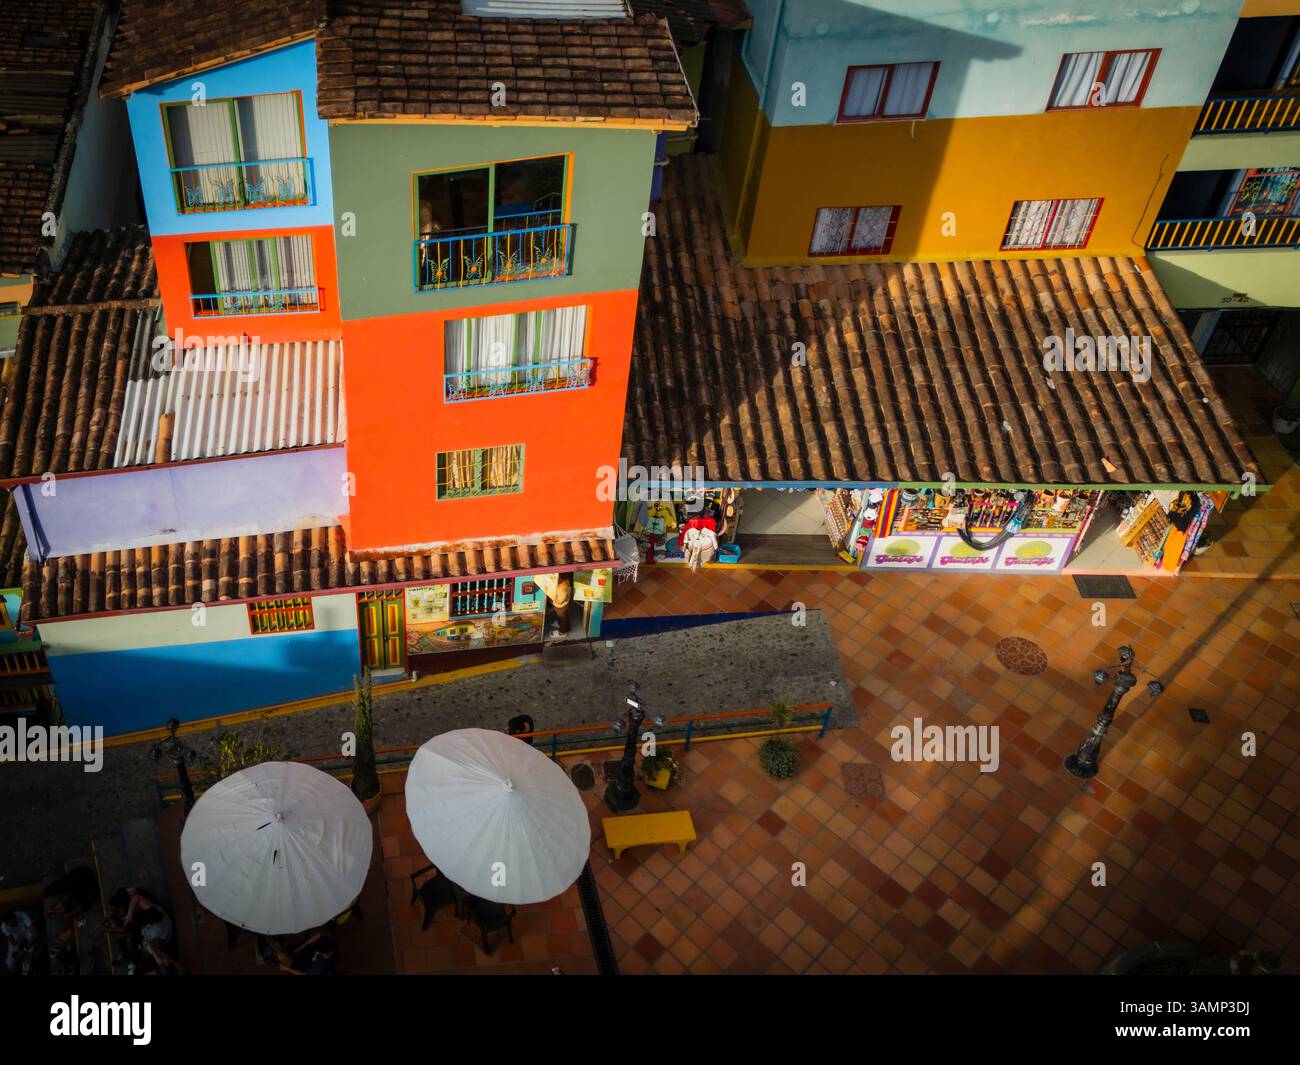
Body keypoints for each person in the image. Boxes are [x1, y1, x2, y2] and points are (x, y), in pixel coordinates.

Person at [2, 910, 37, 975]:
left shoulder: (23, 915)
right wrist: (18, 945)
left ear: (16, 917)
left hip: (26, 929)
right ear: (7, 924)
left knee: (31, 944)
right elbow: (13, 942)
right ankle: (13, 970)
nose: (15, 924)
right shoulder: (4, 927)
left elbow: (35, 935)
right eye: (12, 925)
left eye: (15, 922)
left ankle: (27, 966)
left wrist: (24, 949)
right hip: (16, 934)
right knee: (10, 963)